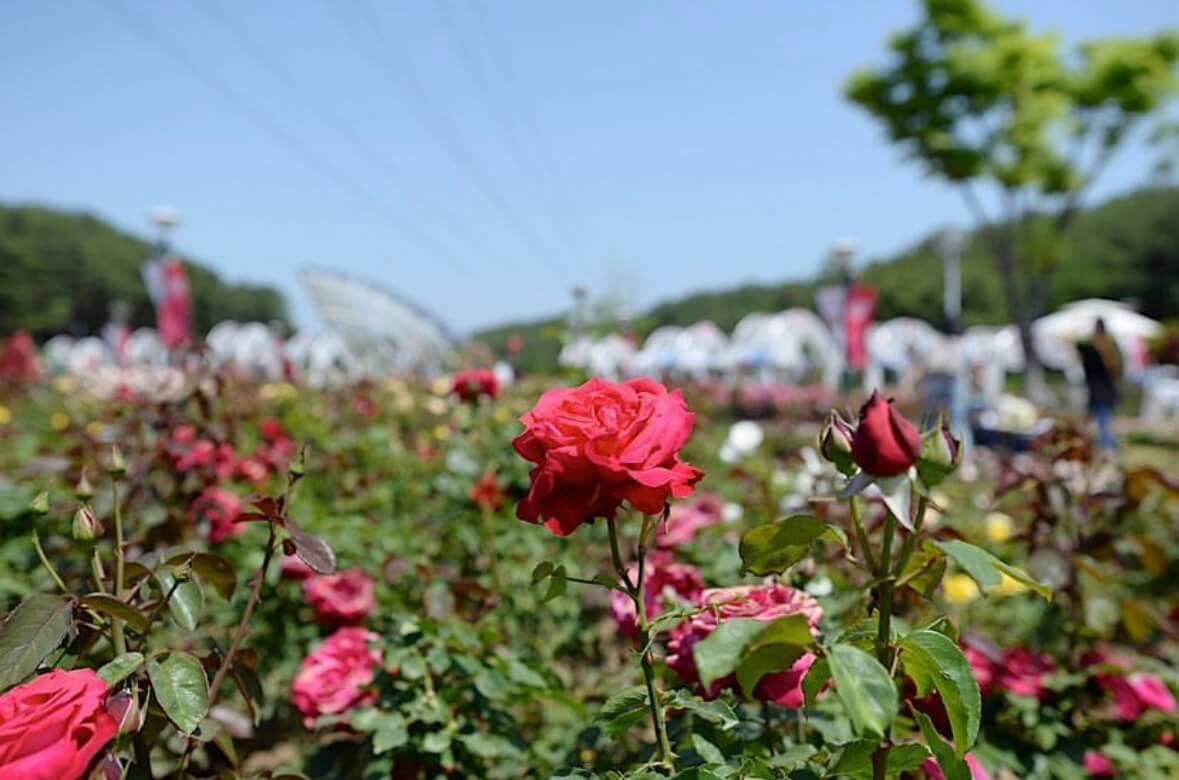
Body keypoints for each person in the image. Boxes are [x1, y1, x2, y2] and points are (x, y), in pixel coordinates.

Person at [1077, 318, 1121, 451]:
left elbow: (1112, 368)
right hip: (1099, 391)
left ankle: (1110, 449)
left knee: (1103, 423)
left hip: (1102, 392)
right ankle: (1106, 447)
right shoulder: (1105, 346)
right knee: (1098, 422)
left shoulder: (1106, 347)